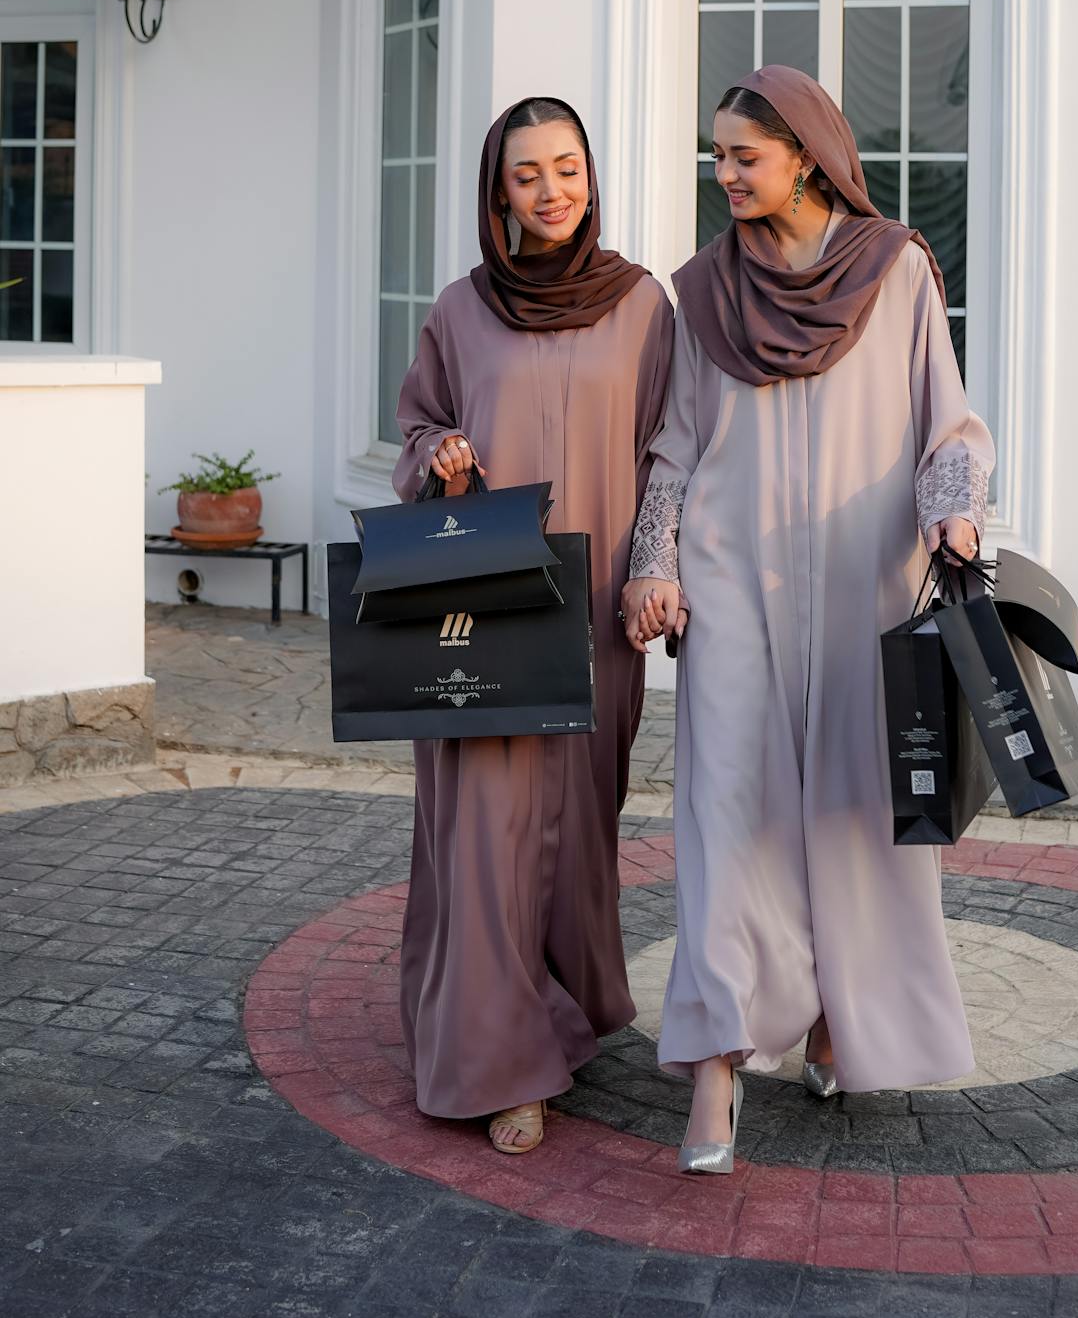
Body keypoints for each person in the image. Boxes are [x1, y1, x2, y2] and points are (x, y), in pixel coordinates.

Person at [623, 66, 994, 1175]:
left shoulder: (896, 270)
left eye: (745, 155)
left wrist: (954, 515)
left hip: (863, 584)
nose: (725, 174)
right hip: (731, 582)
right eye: (718, 155)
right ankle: (717, 1064)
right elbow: (675, 447)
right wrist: (655, 562)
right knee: (723, 813)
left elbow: (948, 425)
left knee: (850, 813)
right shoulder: (704, 292)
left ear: (807, 157)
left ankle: (842, 1015)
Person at [394, 96, 673, 1154]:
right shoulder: (461, 311)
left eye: (566, 168)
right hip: (480, 612)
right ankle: (501, 1060)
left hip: (595, 615)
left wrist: (655, 569)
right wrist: (438, 454)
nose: (550, 191)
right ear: (497, 192)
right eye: (526, 174)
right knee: (481, 832)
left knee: (574, 824)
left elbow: (672, 454)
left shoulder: (644, 306)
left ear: (590, 178)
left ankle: (563, 1012)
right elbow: (416, 425)